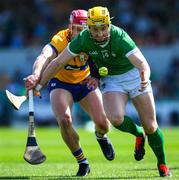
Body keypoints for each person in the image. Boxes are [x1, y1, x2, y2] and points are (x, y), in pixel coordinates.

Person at [35, 6, 172, 177]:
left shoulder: (120, 37)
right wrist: (39, 84)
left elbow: (143, 64)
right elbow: (56, 63)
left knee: (151, 126)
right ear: (89, 28)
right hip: (112, 79)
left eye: (103, 28)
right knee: (114, 119)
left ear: (108, 25)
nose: (99, 33)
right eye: (94, 29)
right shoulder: (83, 39)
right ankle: (138, 133)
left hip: (134, 76)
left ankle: (162, 164)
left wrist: (144, 77)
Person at [24, 9, 115, 177]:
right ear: (70, 27)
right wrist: (37, 75)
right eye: (77, 30)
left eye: (84, 30)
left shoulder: (93, 38)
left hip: (84, 81)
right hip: (61, 83)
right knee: (65, 120)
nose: (81, 34)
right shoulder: (60, 39)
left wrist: (99, 75)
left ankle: (101, 136)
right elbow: (44, 56)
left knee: (104, 124)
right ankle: (82, 162)